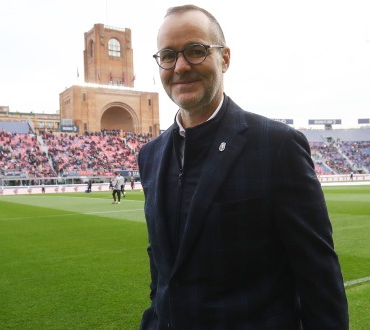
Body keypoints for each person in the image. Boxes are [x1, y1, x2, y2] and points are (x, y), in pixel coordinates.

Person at [138, 5, 348, 329]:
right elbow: (162, 270)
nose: (180, 67)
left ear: (224, 58)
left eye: (196, 51)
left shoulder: (277, 146)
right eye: (168, 56)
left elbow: (319, 277)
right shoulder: (149, 156)